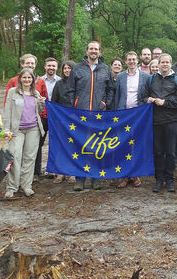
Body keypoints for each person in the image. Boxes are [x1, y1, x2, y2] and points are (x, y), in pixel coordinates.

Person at [66, 41, 116, 191]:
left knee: (97, 146)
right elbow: (70, 90)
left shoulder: (105, 69)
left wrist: (104, 104)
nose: (94, 51)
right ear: (87, 51)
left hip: (98, 115)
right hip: (80, 114)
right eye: (91, 49)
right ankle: (80, 179)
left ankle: (96, 178)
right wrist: (74, 107)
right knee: (80, 146)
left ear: (100, 52)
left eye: (96, 49)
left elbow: (111, 90)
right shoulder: (77, 68)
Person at [142, 53, 177, 193]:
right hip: (155, 121)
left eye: (167, 62)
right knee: (158, 152)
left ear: (170, 64)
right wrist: (147, 99)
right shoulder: (151, 79)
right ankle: (159, 179)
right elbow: (142, 96)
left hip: (172, 121)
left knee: (171, 152)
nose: (165, 64)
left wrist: (165, 102)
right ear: (159, 64)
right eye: (163, 62)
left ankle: (170, 179)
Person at [3, 68, 45, 198]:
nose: (27, 80)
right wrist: (6, 129)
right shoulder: (12, 92)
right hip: (17, 130)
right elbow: (7, 111)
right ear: (20, 79)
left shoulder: (36, 93)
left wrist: (41, 104)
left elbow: (39, 111)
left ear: (33, 80)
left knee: (29, 158)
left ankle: (26, 185)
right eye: (24, 77)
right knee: (15, 157)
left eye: (29, 78)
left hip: (33, 129)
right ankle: (12, 187)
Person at [114, 51, 151, 188]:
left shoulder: (145, 77)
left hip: (138, 115)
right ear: (126, 61)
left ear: (137, 60)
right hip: (123, 114)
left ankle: (136, 174)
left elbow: (147, 95)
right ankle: (125, 176)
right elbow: (118, 95)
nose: (132, 61)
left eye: (134, 59)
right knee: (123, 144)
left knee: (136, 144)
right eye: (129, 59)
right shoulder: (121, 77)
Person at [50, 60, 76, 184]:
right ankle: (61, 172)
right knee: (61, 146)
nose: (67, 70)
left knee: (73, 146)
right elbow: (54, 102)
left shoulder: (78, 83)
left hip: (75, 121)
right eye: (65, 68)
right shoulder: (59, 84)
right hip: (61, 120)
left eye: (69, 68)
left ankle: (72, 172)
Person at [36, 57, 59, 179]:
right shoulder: (38, 81)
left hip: (56, 117)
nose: (51, 68)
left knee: (56, 143)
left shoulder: (60, 81)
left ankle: (54, 169)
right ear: (45, 66)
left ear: (57, 67)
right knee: (38, 143)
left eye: (53, 66)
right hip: (42, 116)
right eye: (49, 65)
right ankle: (37, 170)